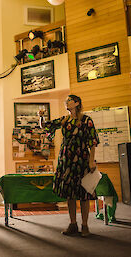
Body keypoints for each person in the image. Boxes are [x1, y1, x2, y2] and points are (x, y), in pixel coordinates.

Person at [43, 95, 99, 237]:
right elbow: (46, 126)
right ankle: (73, 224)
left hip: (82, 159)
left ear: (77, 103)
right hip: (66, 159)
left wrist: (92, 161)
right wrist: (41, 117)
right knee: (70, 194)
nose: (66, 102)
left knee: (84, 193)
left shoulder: (86, 120)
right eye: (66, 101)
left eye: (69, 100)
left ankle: (85, 225)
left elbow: (92, 142)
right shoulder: (64, 120)